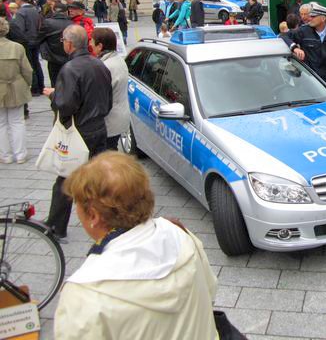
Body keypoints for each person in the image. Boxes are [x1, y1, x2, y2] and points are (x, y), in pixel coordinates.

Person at [54, 152, 219, 340]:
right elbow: (210, 290)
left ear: (93, 216)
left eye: (77, 203)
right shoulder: (181, 235)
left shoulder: (83, 294)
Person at [42, 25, 112, 240]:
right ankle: (110, 221)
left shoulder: (70, 69)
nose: (62, 43)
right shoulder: (100, 65)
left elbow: (66, 105)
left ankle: (55, 226)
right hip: (99, 127)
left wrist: (54, 96)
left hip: (79, 132)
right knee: (97, 179)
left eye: (63, 39)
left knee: (65, 181)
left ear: (69, 44)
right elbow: (107, 100)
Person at [91, 28, 129, 151]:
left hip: (110, 121)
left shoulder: (106, 66)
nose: (90, 45)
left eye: (92, 42)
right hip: (119, 118)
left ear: (100, 46)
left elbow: (100, 96)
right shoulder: (118, 60)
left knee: (107, 155)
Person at [0, 17, 32, 164]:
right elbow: (27, 70)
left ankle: (5, 155)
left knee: (1, 123)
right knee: (17, 122)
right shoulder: (17, 47)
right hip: (15, 86)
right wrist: (28, 84)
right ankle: (20, 155)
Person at [12, 0, 45, 96]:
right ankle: (41, 86)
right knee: (37, 63)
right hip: (36, 40)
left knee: (29, 65)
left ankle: (34, 88)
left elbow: (19, 29)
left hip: (26, 41)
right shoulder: (35, 10)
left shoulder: (20, 12)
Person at [38, 2, 72, 86]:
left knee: (55, 84)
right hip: (69, 57)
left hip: (53, 57)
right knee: (69, 83)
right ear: (66, 11)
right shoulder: (72, 23)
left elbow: (39, 38)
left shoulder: (47, 23)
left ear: (53, 10)